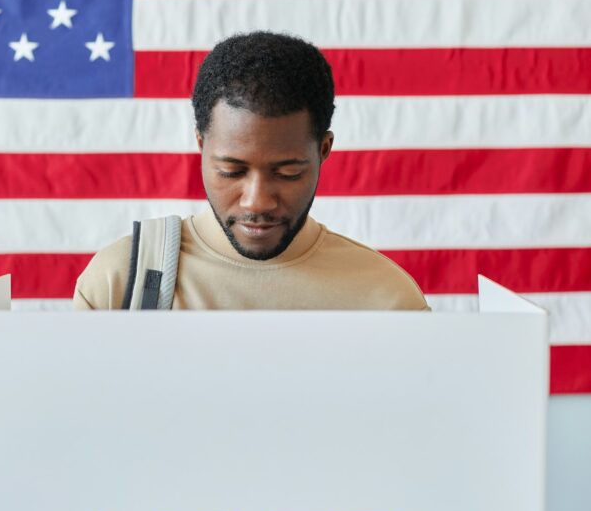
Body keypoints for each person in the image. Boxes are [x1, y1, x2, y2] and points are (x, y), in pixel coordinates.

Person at [73, 31, 429, 311]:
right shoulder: (118, 282)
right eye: (231, 171)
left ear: (324, 150)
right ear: (201, 145)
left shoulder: (387, 300)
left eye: (287, 172)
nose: (257, 201)